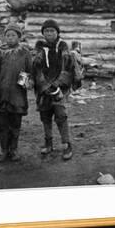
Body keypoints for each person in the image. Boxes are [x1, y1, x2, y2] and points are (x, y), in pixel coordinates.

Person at [0, 23, 33, 162]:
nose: (10, 38)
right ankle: (3, 150)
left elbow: (28, 70)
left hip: (17, 96)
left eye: (13, 35)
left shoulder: (24, 52)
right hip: (1, 95)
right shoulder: (0, 52)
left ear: (19, 37)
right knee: (2, 125)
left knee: (15, 125)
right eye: (7, 35)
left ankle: (13, 150)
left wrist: (26, 83)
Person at [33, 19, 74, 160]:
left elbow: (67, 68)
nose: (49, 33)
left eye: (52, 31)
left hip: (59, 89)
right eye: (46, 31)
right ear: (43, 33)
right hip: (43, 89)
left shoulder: (63, 48)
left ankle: (66, 144)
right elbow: (36, 69)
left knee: (61, 115)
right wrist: (44, 86)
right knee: (45, 116)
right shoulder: (39, 48)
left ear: (57, 32)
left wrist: (57, 84)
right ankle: (48, 143)